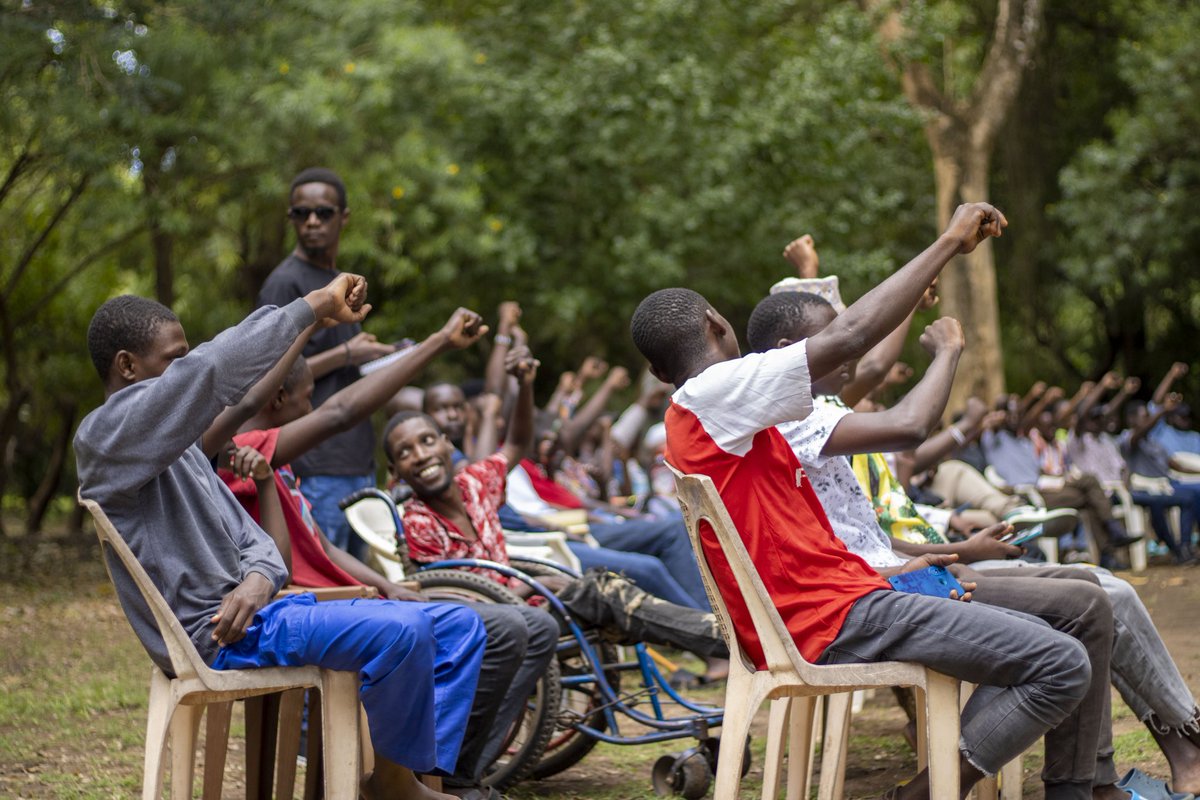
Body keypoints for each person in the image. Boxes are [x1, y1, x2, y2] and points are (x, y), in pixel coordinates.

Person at [632, 203, 1098, 800]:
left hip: (841, 604)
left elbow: (860, 363)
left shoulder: (713, 416)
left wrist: (910, 563)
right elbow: (850, 340)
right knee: (1061, 663)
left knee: (1060, 636)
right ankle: (925, 794)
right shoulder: (717, 391)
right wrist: (950, 241)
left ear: (655, 367)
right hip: (835, 618)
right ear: (718, 327)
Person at [75, 276, 485, 800]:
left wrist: (254, 583)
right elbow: (210, 371)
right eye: (171, 360)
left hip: (261, 615)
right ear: (127, 366)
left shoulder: (184, 453)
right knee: (403, 631)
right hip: (218, 637)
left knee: (458, 624)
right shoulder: (104, 440)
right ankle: (394, 788)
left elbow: (263, 549)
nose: (184, 369)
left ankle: (401, 777)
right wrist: (310, 308)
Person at [746, 290, 1151, 799]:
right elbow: (910, 427)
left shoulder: (804, 413)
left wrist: (961, 550)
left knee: (1086, 589)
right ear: (788, 350)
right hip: (875, 598)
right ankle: (1039, 786)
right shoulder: (793, 418)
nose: (849, 352)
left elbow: (857, 540)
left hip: (895, 578)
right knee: (1079, 615)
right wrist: (947, 351)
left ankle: (1083, 783)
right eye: (831, 339)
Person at [217, 307, 558, 799]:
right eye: (307, 399)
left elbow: (324, 545)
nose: (312, 410)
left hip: (350, 598)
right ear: (278, 399)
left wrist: (385, 585)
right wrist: (437, 339)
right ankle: (425, 778)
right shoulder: (248, 456)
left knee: (520, 623)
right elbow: (341, 414)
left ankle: (433, 775)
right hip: (310, 607)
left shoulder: (278, 467)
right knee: (497, 625)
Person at [384, 346, 729, 667]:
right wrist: (523, 588)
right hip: (500, 619)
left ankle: (720, 638)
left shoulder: (475, 483)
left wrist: (525, 384)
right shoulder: (418, 522)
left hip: (526, 597)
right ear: (394, 472)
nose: (421, 455)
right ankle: (723, 642)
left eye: (427, 441)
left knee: (606, 589)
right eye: (405, 452)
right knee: (606, 592)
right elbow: (446, 599)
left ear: (445, 445)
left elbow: (518, 441)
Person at [257, 167, 396, 558]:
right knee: (326, 578)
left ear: (344, 217)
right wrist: (348, 353)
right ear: (291, 220)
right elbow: (270, 376)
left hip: (356, 458)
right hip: (315, 463)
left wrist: (375, 356)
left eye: (323, 212)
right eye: (301, 213)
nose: (312, 221)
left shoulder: (337, 279)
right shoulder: (285, 283)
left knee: (359, 583)